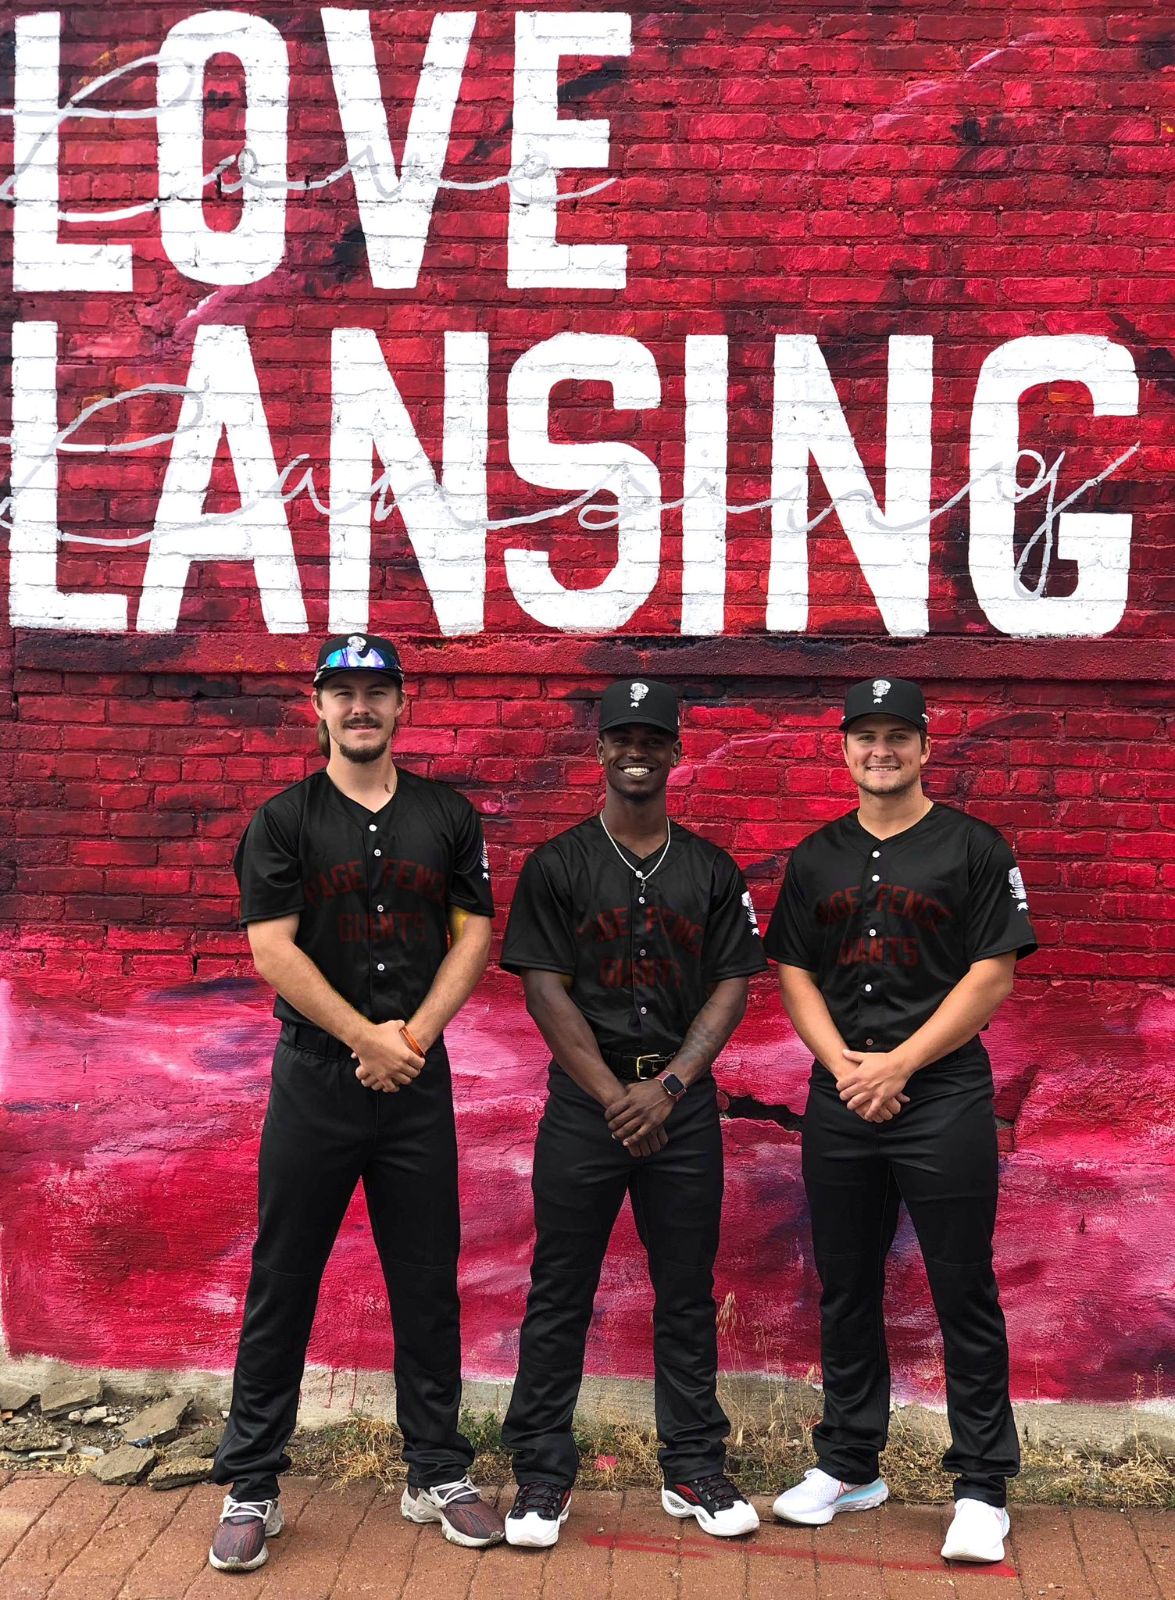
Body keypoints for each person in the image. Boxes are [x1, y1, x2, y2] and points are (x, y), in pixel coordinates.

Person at [208, 634, 504, 1572]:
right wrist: (363, 1039)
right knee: (283, 1277)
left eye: (376, 691)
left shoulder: (447, 815)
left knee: (426, 1278)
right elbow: (273, 949)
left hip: (415, 1078)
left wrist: (407, 1041)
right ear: (318, 706)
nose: (360, 707)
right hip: (316, 1079)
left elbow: (474, 933)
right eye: (343, 693)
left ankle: (436, 1470)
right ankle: (252, 1482)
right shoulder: (283, 820)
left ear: (402, 704)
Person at [765, 677, 1036, 1565]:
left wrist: (899, 1064)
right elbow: (794, 971)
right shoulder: (815, 857)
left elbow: (992, 974)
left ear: (924, 747)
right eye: (864, 736)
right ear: (843, 749)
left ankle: (981, 1489)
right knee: (845, 1284)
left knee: (962, 1287)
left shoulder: (973, 847)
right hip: (843, 1095)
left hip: (942, 1093)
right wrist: (847, 1067)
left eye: (896, 736)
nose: (879, 751)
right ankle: (849, 1466)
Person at [498, 679, 767, 1549]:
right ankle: (541, 1476)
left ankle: (692, 1468)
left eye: (653, 738)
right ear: (601, 751)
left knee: (685, 1291)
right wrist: (617, 1098)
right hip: (588, 1109)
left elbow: (732, 984)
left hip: (679, 1109)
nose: (637, 751)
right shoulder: (557, 865)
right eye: (623, 737)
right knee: (559, 1291)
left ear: (675, 752)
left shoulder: (710, 869)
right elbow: (544, 991)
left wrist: (673, 1086)